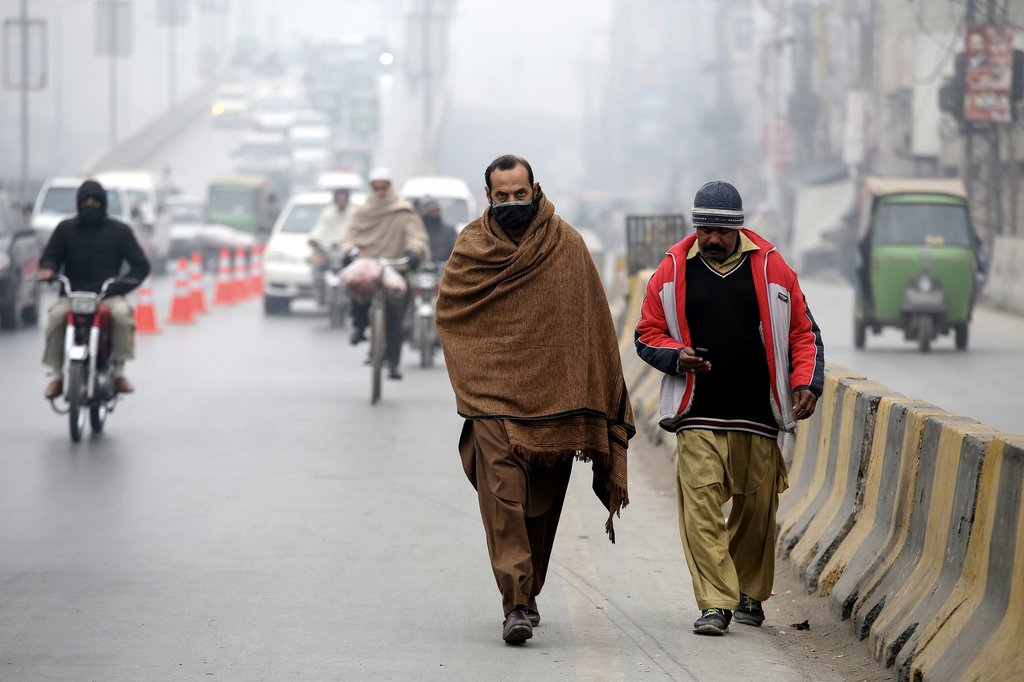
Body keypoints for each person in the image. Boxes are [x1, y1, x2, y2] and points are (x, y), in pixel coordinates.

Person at [435, 154, 634, 644]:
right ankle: (516, 602)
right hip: (491, 398)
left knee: (540, 508)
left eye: (519, 194)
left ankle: (529, 588)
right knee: (502, 501)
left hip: (555, 402)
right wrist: (476, 380)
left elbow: (590, 324)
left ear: (536, 189)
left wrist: (588, 388)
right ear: (488, 197)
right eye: (501, 196)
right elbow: (452, 315)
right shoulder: (472, 246)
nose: (511, 203)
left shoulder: (567, 245)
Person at [635, 180, 824, 636]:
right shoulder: (673, 270)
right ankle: (715, 603)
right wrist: (676, 356)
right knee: (699, 506)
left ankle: (747, 594)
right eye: (705, 230)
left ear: (738, 227)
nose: (713, 239)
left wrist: (806, 384)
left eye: (721, 230)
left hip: (758, 414)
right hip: (698, 409)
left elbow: (804, 334)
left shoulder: (774, 269)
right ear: (695, 227)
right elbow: (647, 332)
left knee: (755, 511)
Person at [38, 179, 152, 399]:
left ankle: (118, 372)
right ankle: (56, 376)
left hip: (107, 295)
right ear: (78, 204)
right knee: (55, 317)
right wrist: (48, 271)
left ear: (103, 204)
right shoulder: (65, 229)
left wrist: (121, 286)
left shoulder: (120, 231)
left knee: (122, 315)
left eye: (95, 201)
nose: (90, 205)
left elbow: (141, 265)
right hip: (73, 295)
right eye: (86, 201)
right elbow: (50, 257)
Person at [340, 167, 429, 380]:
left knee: (394, 319)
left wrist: (414, 252)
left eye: (384, 187)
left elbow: (415, 236)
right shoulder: (362, 212)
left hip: (395, 270)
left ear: (390, 187)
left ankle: (394, 364)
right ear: (371, 188)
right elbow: (349, 236)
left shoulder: (403, 210)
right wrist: (348, 250)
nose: (380, 191)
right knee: (355, 288)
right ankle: (359, 324)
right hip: (367, 268)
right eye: (376, 187)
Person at [308, 188, 353, 305]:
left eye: (343, 198)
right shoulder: (327, 213)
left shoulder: (354, 213)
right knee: (317, 267)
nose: (341, 200)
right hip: (328, 250)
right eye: (339, 198)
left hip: (347, 250)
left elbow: (359, 230)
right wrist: (314, 239)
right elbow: (319, 229)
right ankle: (319, 295)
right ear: (335, 199)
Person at [416, 197, 457, 263]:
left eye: (436, 211)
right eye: (432, 212)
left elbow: (455, 251)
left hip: (443, 269)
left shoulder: (449, 231)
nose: (435, 214)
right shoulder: (419, 231)